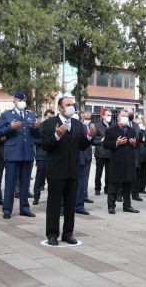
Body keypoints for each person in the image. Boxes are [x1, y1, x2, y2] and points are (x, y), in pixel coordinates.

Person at [40, 97, 95, 246]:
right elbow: (44, 145)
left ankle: (68, 233)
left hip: (73, 170)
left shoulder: (77, 124)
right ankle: (52, 234)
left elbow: (81, 146)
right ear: (60, 108)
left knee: (70, 204)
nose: (71, 107)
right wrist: (57, 135)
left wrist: (89, 136)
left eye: (72, 105)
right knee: (54, 204)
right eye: (68, 105)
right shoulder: (49, 123)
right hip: (56, 170)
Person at [0, 91, 39, 219]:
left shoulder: (30, 115)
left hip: (27, 153)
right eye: (19, 100)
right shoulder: (7, 115)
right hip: (12, 153)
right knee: (10, 183)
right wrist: (10, 127)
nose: (22, 102)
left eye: (23, 100)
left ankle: (24, 208)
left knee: (25, 183)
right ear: (14, 101)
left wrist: (36, 127)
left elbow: (37, 136)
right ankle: (7, 210)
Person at [103, 109, 140, 214]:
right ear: (118, 117)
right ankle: (111, 206)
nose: (125, 118)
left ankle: (127, 206)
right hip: (116, 161)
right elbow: (106, 144)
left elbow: (137, 144)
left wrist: (134, 143)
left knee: (127, 185)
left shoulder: (131, 130)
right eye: (123, 116)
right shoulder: (111, 129)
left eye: (127, 116)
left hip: (129, 161)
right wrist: (116, 143)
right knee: (114, 185)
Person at [33, 109, 55, 205]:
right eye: (49, 117)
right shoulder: (40, 126)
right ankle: (36, 196)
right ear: (45, 116)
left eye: (52, 118)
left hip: (52, 156)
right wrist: (46, 142)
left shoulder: (55, 126)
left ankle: (51, 198)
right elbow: (35, 139)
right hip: (42, 156)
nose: (51, 119)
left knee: (52, 178)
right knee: (39, 177)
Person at [93, 109, 112, 196]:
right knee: (99, 172)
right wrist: (101, 140)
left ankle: (107, 188)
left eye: (110, 115)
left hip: (110, 153)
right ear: (103, 116)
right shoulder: (98, 125)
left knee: (109, 173)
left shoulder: (112, 126)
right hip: (100, 152)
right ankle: (97, 188)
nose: (109, 117)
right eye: (108, 115)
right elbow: (93, 138)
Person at [79, 111, 94, 205]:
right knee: (79, 178)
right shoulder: (78, 127)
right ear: (82, 118)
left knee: (86, 177)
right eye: (86, 118)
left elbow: (93, 141)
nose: (88, 120)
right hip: (79, 155)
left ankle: (84, 195)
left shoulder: (91, 127)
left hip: (87, 155)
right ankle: (79, 196)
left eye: (89, 118)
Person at [135, 114, 146, 196]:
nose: (140, 121)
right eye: (138, 119)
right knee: (138, 172)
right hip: (138, 152)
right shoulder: (135, 128)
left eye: (141, 119)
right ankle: (136, 188)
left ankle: (142, 187)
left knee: (144, 171)